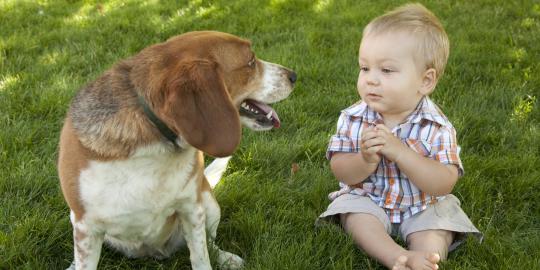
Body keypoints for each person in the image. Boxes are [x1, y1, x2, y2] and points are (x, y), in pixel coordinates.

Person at [317, 3, 482, 270]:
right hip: (369, 199)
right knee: (354, 214)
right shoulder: (352, 118)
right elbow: (342, 171)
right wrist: (365, 159)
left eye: (387, 70)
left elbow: (443, 183)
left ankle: (425, 257)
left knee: (436, 225)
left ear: (425, 81)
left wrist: (402, 153)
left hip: (423, 204)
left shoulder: (437, 126)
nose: (371, 79)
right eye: (364, 68)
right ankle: (394, 255)